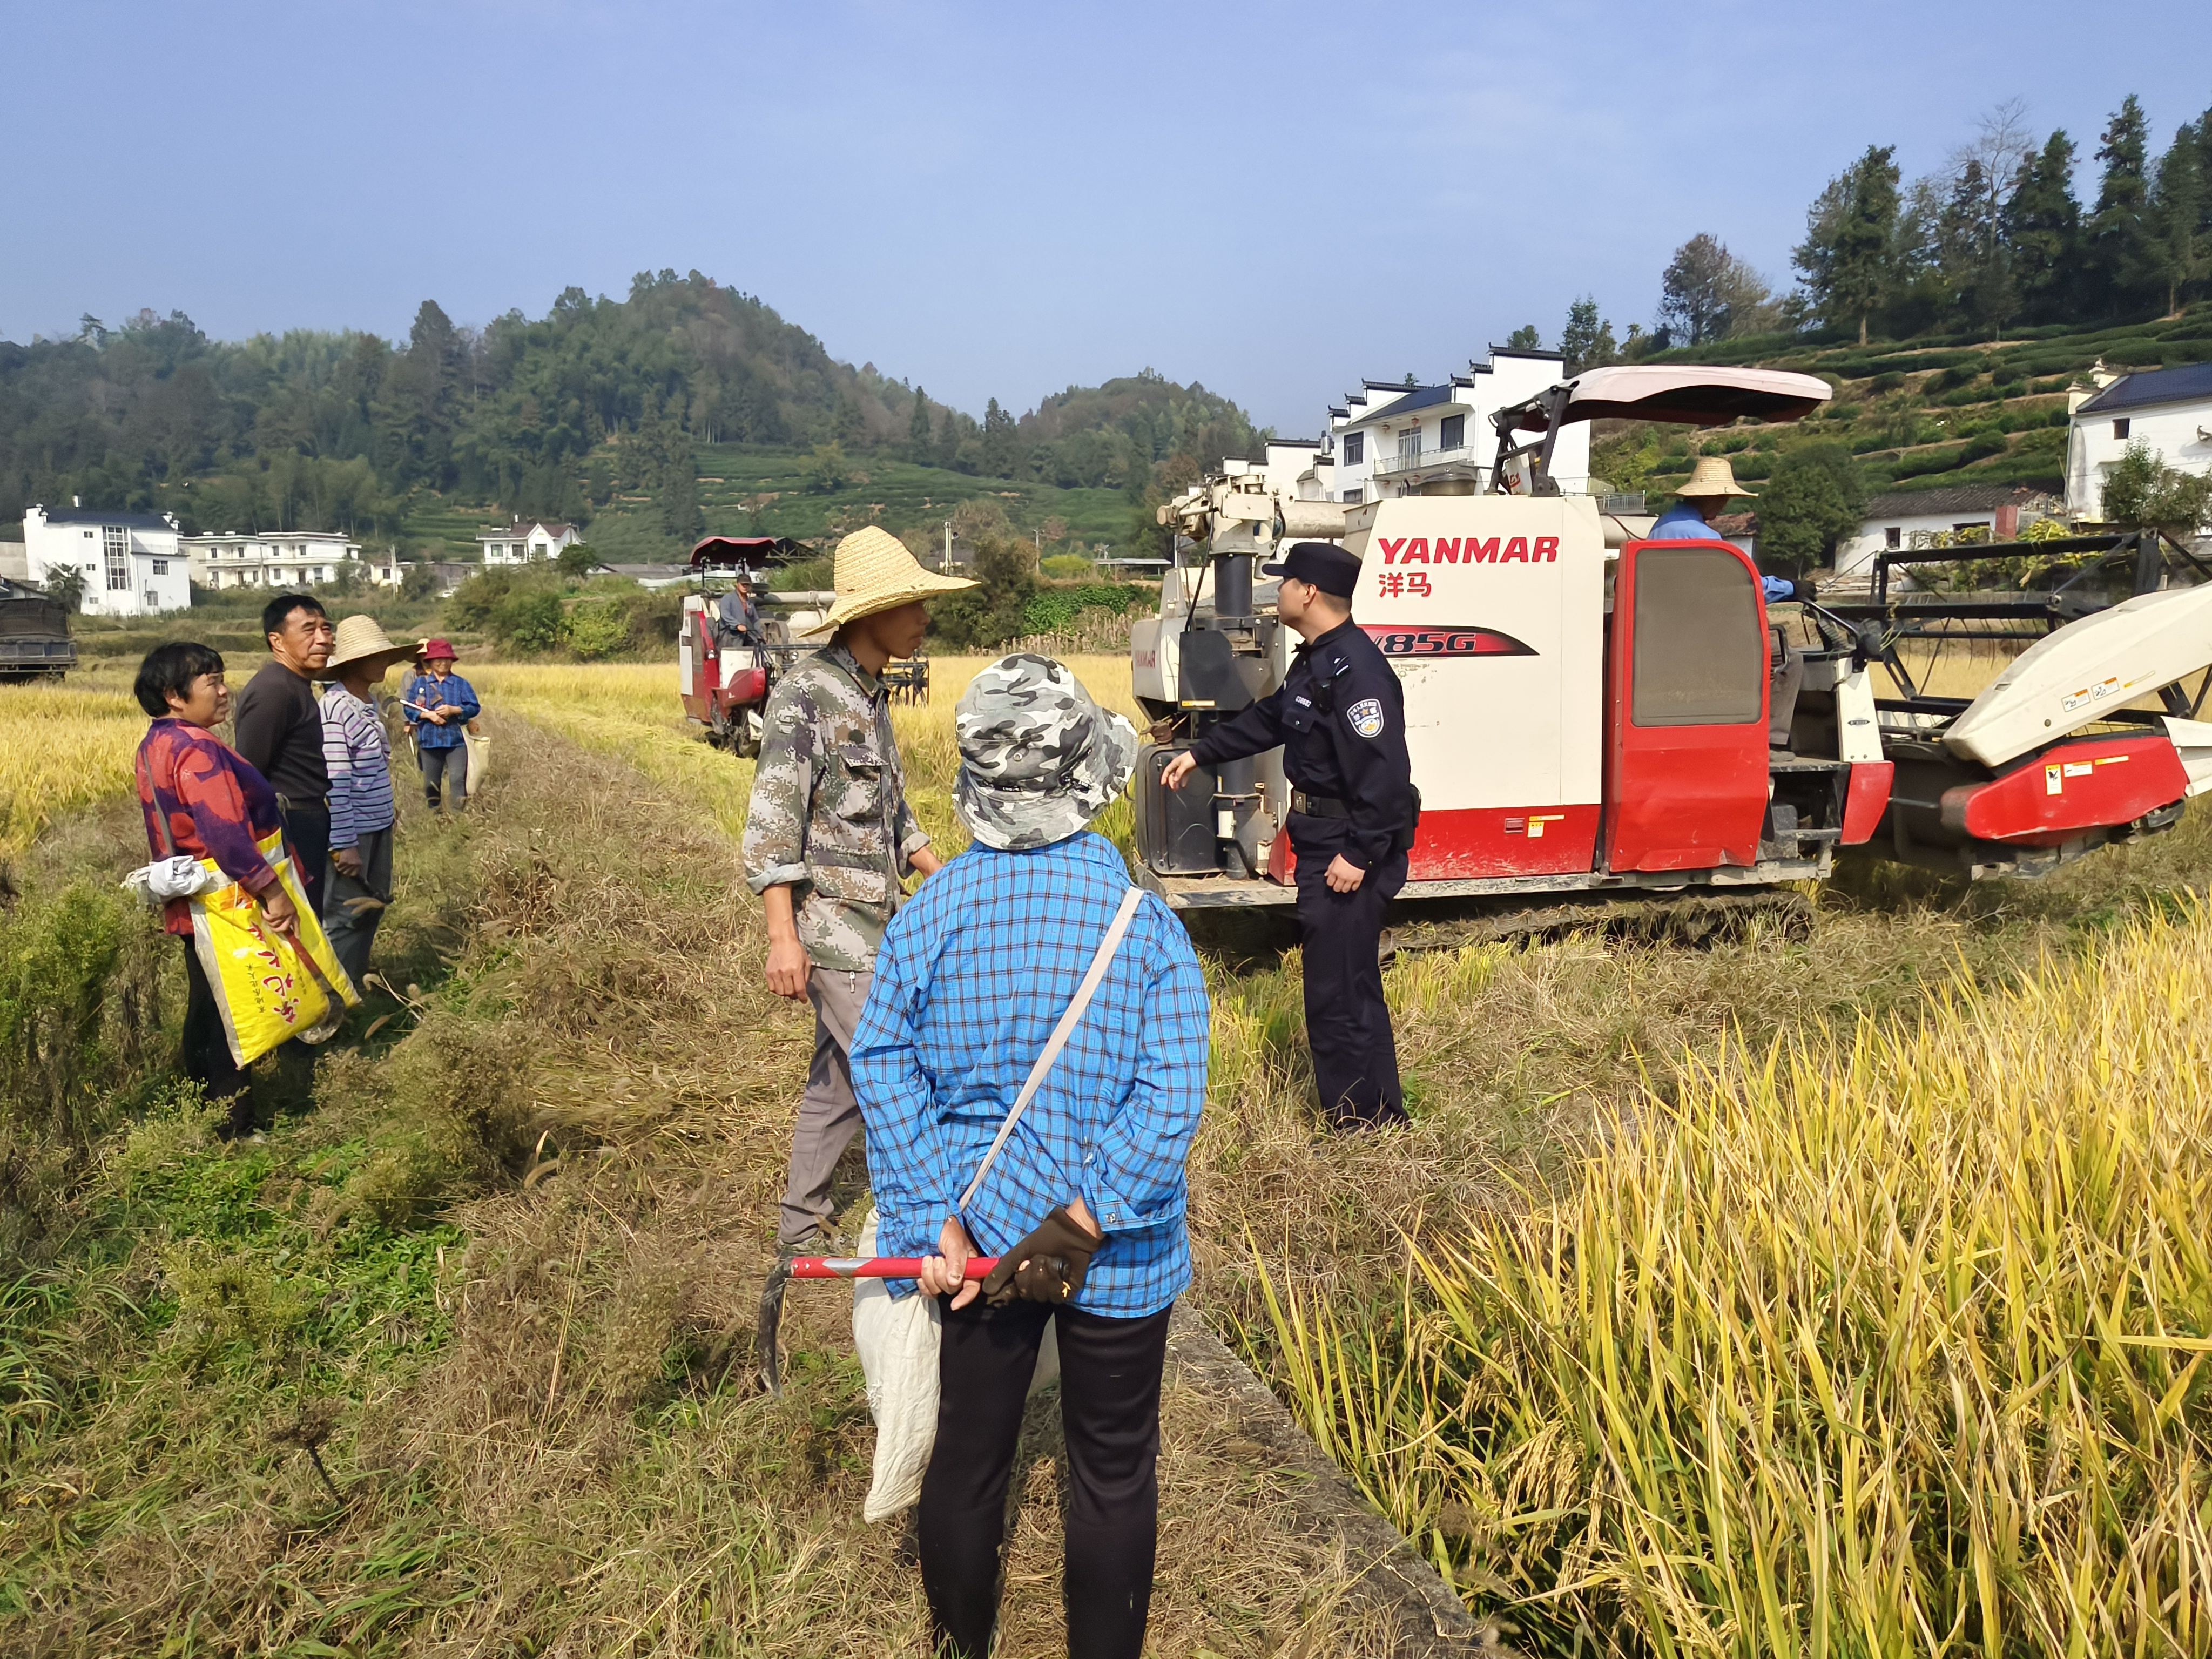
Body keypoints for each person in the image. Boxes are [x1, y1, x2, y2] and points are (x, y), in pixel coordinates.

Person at [852, 655, 1210, 1659]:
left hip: (978, 1245)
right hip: (1116, 1251)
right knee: (1111, 1465)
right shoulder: (1142, 926)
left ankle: (960, 1644)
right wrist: (1087, 1217)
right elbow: (1171, 1092)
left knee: (969, 1458)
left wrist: (934, 1219)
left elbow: (881, 1065)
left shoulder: (926, 917)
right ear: (1089, 779)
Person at [742, 527, 975, 1276]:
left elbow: (895, 816)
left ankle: (799, 1226)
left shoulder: (871, 698)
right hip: (832, 928)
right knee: (903, 1067)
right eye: (909, 604)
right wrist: (784, 937)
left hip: (881, 921)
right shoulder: (805, 696)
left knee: (839, 1082)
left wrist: (947, 878)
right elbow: (772, 826)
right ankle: (936, 1226)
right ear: (868, 614)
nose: (922, 618)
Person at [1162, 541, 1417, 1128]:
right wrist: (1201, 752)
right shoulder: (1317, 661)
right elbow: (1272, 719)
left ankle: (1356, 1122)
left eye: (1282, 583)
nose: (1274, 593)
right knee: (1349, 983)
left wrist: (1358, 853)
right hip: (1325, 838)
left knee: (1335, 992)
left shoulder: (1359, 672)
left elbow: (1384, 774)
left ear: (1307, 592)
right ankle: (1379, 1116)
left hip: (1348, 847)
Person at [133, 641, 300, 1138]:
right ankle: (234, 1128)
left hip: (193, 898)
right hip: (223, 902)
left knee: (206, 1006)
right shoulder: (196, 749)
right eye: (213, 682)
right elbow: (227, 835)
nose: (226, 691)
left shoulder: (157, 743)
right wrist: (272, 891)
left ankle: (202, 1110)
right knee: (231, 1013)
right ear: (175, 696)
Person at [320, 616, 415, 987]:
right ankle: (333, 1000)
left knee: (373, 907)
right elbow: (336, 781)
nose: (384, 662)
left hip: (377, 825)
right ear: (352, 663)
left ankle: (354, 987)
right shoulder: (335, 708)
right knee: (344, 917)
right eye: (376, 656)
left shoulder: (367, 702)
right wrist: (344, 844)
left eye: (386, 655)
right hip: (354, 832)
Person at [232, 593, 335, 919]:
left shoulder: (296, 685)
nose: (322, 639)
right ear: (276, 640)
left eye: (326, 629)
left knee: (311, 918)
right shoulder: (274, 690)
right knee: (299, 925)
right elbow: (247, 773)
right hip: (288, 825)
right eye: (308, 630)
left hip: (306, 820)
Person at [1649, 456, 1812, 603]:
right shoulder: (1703, 537)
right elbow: (1744, 587)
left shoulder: (1661, 525)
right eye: (1724, 499)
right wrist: (1792, 588)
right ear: (1712, 498)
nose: (1724, 505)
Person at [402, 639, 480, 812]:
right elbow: (409, 708)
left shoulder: (461, 684)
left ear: (452, 660)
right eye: (438, 658)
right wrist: (427, 715)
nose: (443, 662)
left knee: (457, 779)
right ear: (430, 661)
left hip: (457, 741)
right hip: (429, 740)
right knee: (431, 782)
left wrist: (455, 710)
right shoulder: (420, 684)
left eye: (446, 658)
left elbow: (474, 707)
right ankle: (435, 816)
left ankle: (458, 817)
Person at [716, 578, 760, 644]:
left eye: (747, 585)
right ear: (737, 585)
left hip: (747, 636)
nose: (745, 587)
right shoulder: (728, 598)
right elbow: (725, 614)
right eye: (743, 584)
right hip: (730, 636)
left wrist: (760, 635)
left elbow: (755, 620)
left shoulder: (749, 602)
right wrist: (737, 625)